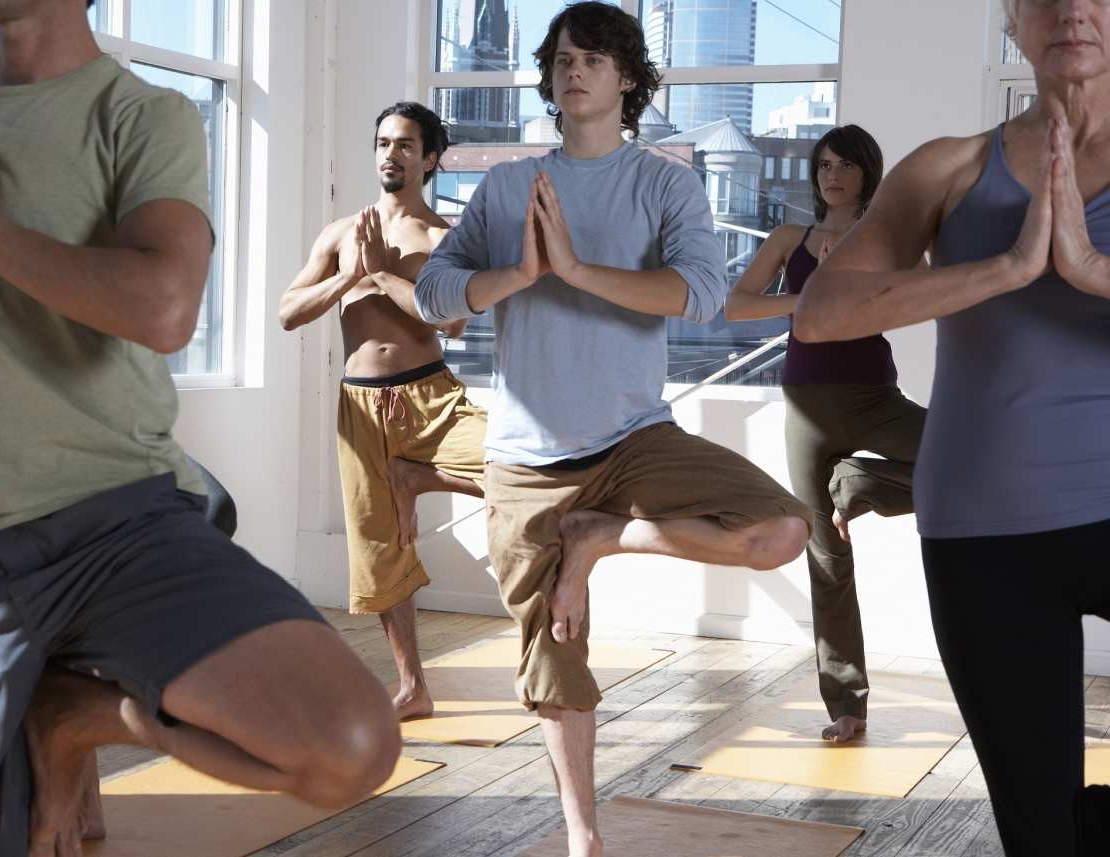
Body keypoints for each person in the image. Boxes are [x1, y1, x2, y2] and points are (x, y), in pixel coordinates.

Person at [0, 4, 399, 856]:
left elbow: (164, 308)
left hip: (117, 525)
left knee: (350, 745)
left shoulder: (141, 115)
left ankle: (75, 713)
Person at [415, 5, 812, 854]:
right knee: (555, 662)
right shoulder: (506, 185)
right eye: (561, 58)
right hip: (525, 458)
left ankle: (604, 535)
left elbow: (703, 295)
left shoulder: (664, 182)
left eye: (593, 58)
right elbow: (432, 297)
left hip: (636, 436)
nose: (572, 70)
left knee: (780, 530)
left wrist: (576, 272)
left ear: (628, 78)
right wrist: (516, 273)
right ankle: (582, 837)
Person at [795, 0, 1110, 852]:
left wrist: (1086, 268)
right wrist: (1006, 267)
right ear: (1013, 18)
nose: (1074, 9)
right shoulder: (950, 169)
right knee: (1038, 831)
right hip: (986, 529)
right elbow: (823, 312)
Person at [280, 101, 486, 720]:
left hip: (431, 398)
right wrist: (349, 278)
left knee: (515, 467)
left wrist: (384, 276)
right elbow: (289, 313)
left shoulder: (445, 239)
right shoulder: (343, 233)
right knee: (380, 549)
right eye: (382, 143)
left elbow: (452, 320)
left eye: (404, 145)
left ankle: (418, 475)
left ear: (429, 159)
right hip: (360, 408)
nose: (390, 154)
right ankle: (412, 688)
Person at [724, 125, 926, 743]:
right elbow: (738, 304)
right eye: (824, 165)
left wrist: (861, 282)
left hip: (873, 396)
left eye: (845, 165)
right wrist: (807, 296)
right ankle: (847, 704)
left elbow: (917, 295)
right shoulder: (791, 239)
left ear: (867, 172)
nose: (832, 175)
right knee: (827, 558)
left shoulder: (886, 237)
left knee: (966, 460)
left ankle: (859, 484)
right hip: (806, 404)